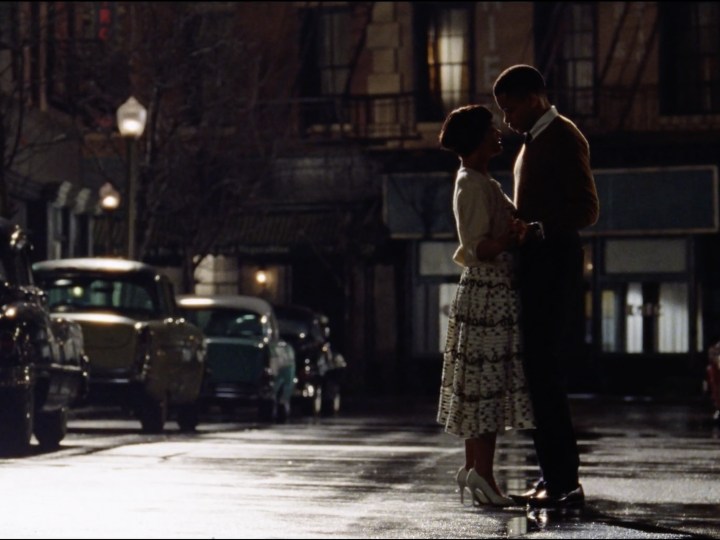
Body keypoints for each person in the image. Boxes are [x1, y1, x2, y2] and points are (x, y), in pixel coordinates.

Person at [492, 64, 599, 510]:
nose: (506, 119)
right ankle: (553, 477)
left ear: (534, 98)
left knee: (546, 375)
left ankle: (564, 483)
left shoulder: (563, 136)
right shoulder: (532, 141)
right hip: (538, 268)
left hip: (554, 267)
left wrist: (537, 229)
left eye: (510, 108)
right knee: (538, 378)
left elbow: (587, 209)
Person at [436, 104, 535, 508]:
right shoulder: (472, 185)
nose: (498, 133)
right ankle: (485, 475)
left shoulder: (479, 181)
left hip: (487, 292)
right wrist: (511, 239)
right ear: (477, 138)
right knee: (486, 387)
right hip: (488, 292)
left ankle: (474, 469)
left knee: (479, 385)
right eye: (491, 128)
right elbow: (478, 246)